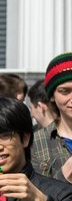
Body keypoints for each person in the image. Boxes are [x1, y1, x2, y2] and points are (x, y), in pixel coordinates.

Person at [29, 53, 72, 183]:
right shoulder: (35, 143)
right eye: (65, 91)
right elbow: (34, 196)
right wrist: (64, 177)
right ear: (52, 96)